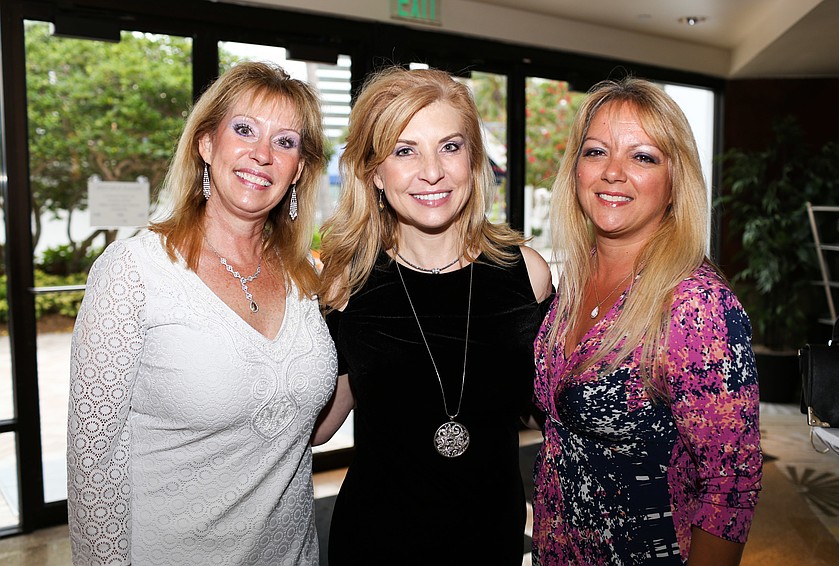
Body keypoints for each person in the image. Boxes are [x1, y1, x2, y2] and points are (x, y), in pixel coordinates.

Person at [67, 61, 337, 565]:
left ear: (299, 169)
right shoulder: (134, 272)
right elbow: (93, 463)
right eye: (244, 130)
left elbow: (307, 426)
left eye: (285, 142)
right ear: (206, 144)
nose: (262, 154)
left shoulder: (307, 279)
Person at [314, 66, 553, 565]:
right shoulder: (347, 283)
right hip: (376, 543)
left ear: (473, 158)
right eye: (405, 151)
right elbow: (318, 426)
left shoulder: (525, 274)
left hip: (491, 540)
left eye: (450, 146)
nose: (432, 171)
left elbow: (547, 409)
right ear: (375, 172)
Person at [532, 77, 762, 565]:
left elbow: (731, 486)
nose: (613, 172)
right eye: (596, 152)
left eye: (643, 157)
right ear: (575, 169)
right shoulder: (572, 283)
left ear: (677, 180)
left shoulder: (695, 307)